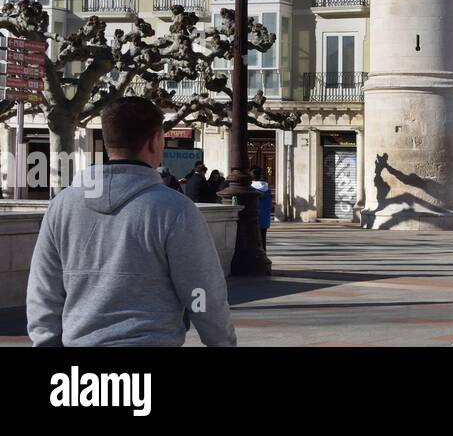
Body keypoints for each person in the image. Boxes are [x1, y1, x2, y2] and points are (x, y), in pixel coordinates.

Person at [26, 96, 236, 346]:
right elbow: (202, 294)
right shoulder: (176, 210)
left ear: (107, 141)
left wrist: (47, 341)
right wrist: (222, 342)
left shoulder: (62, 206)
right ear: (155, 140)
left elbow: (43, 291)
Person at [250, 167, 273, 250]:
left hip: (254, 218)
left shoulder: (251, 189)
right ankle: (263, 254)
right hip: (264, 219)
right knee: (263, 238)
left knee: (253, 240)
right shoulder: (268, 189)